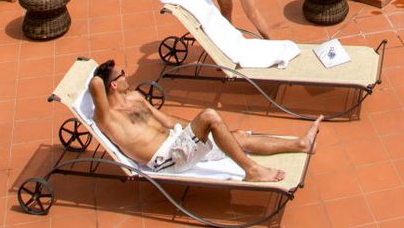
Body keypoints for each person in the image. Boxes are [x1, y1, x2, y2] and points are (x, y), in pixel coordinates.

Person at [87, 59, 319, 180]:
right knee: (210, 115)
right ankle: (253, 171)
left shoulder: (136, 97)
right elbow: (96, 83)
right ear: (113, 85)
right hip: (166, 160)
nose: (127, 75)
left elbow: (166, 118)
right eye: (122, 74)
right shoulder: (108, 117)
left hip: (177, 141)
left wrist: (193, 129)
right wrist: (97, 71)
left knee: (236, 137)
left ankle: (300, 144)